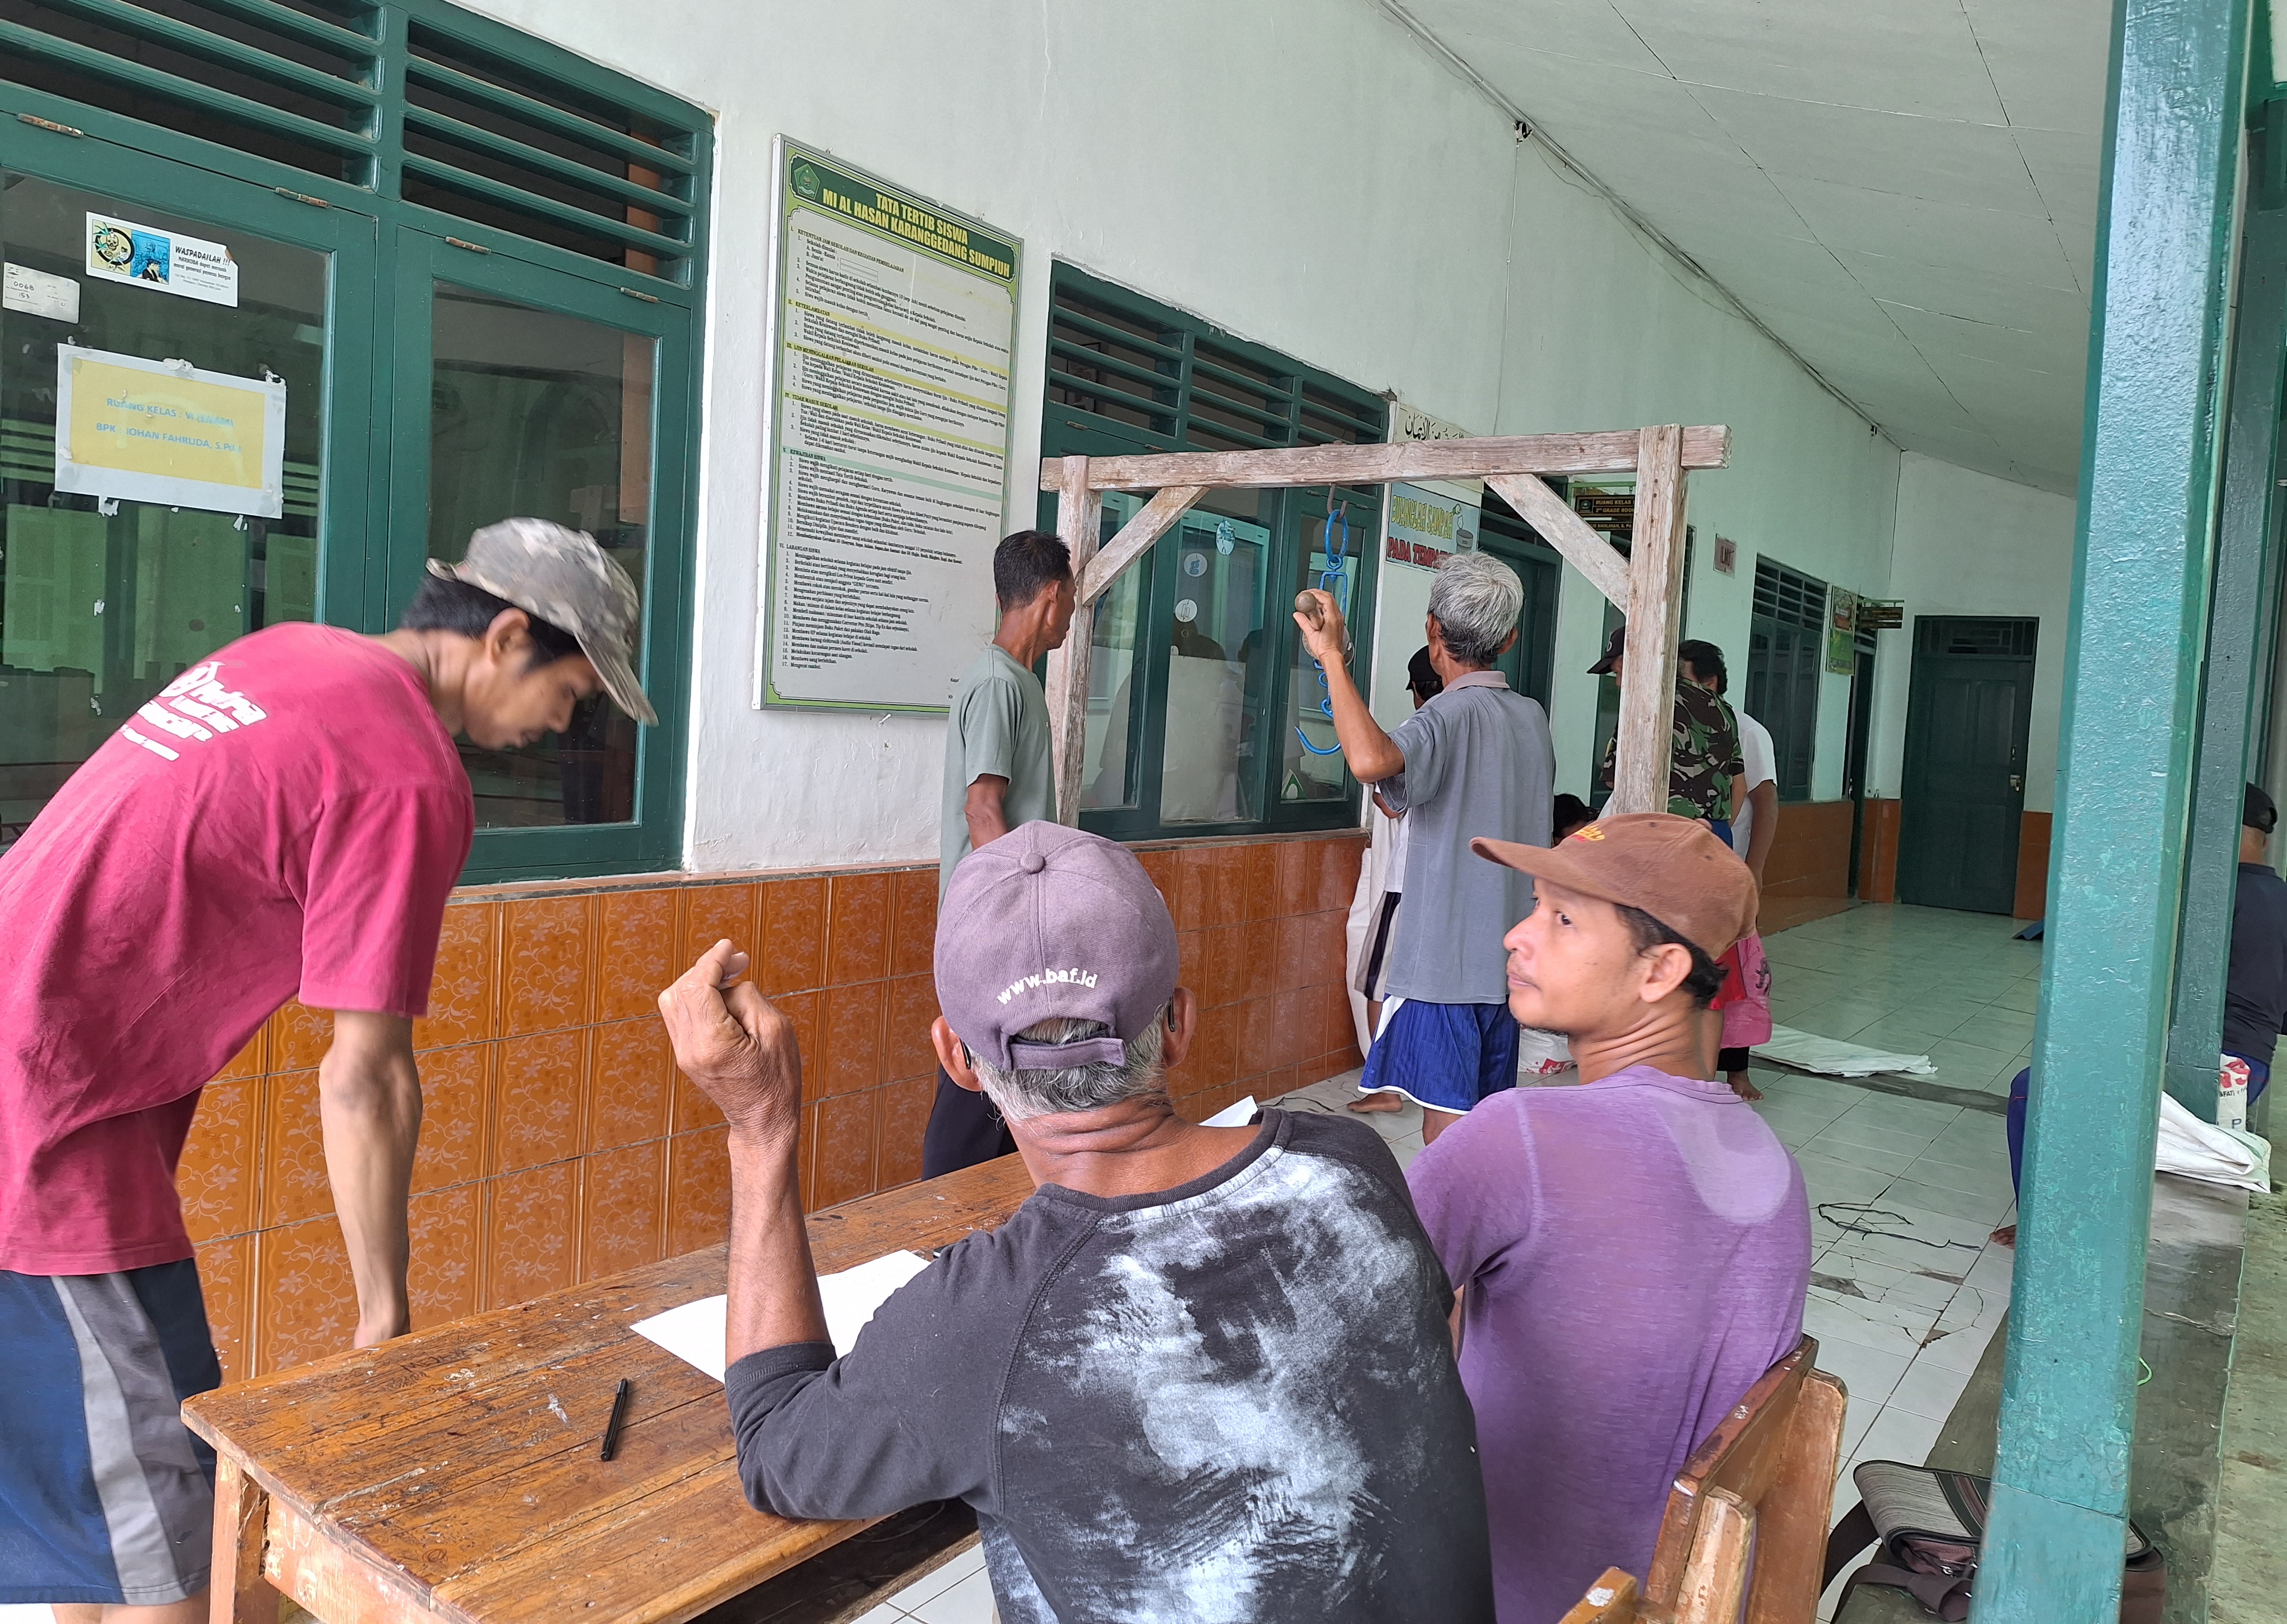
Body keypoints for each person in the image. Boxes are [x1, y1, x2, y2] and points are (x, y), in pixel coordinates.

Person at [0, 518, 653, 1622]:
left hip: (79, 1101)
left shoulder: (290, 652)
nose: (564, 724)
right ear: (503, 638)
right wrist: (384, 1315)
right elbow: (366, 1077)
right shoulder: (404, 774)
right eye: (574, 691)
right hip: (38, 1122)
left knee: (151, 1504)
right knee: (166, 1549)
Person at [660, 821, 1496, 1622]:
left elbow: (778, 1452)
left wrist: (761, 1127)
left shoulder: (985, 1320)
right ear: (1177, 1024)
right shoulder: (1349, 1161)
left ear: (958, 1059)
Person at [1406, 813, 1810, 1621]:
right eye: (1533, 907)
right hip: (1668, 1597)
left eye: (1562, 918)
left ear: (1660, 969)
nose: (1518, 937)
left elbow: (1330, 1319)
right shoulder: (1775, 1165)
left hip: (1513, 1597)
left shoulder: (1521, 1136)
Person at [1293, 554, 1558, 1146]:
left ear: (1433, 630)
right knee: (1486, 1120)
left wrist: (1332, 658)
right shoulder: (1530, 718)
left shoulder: (1446, 713)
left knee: (1448, 1128)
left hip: (1446, 968)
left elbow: (1370, 763)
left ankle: (1449, 1238)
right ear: (1511, 639)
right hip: (1508, 961)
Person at [1996, 781, 2287, 1248]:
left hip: (2210, 1066)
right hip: (2251, 1068)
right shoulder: (2277, 897)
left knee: (2036, 1090)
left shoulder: (2212, 901)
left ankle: (2042, 1228)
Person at [923, 530, 1075, 1179]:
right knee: (972, 1091)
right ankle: (937, 1230)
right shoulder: (997, 684)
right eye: (1070, 600)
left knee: (1014, 1089)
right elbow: (982, 808)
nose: (1070, 613)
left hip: (1003, 918)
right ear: (1052, 596)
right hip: (995, 922)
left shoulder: (1014, 681)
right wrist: (1023, 911)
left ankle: (993, 1236)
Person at [1680, 640, 1777, 1100]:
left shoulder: (1745, 730)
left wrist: (1752, 869)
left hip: (1724, 870)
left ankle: (1735, 1072)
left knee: (1730, 975)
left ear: (1710, 681)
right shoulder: (1672, 723)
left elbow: (1762, 801)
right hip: (1689, 868)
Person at [1343, 648, 1444, 1054]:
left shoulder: (1419, 731)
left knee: (1378, 983)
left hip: (1406, 882)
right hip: (1449, 884)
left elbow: (1392, 804)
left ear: (1419, 690)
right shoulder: (1479, 725)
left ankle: (1383, 1087)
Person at [1590, 623, 1744, 833]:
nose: (1618, 683)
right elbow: (1738, 783)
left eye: (1620, 672)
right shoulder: (1723, 709)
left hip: (1661, 832)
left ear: (1640, 660)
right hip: (1714, 832)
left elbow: (1615, 779)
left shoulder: (1646, 705)